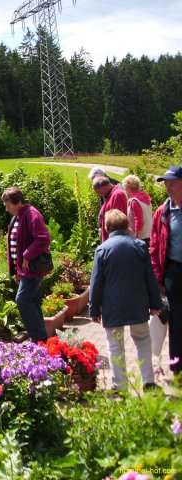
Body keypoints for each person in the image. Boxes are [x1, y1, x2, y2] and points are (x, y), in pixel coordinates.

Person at [90, 209, 161, 391]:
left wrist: (94, 310)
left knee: (115, 345)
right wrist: (155, 304)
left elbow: (96, 282)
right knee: (143, 339)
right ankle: (148, 382)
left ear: (106, 228)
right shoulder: (139, 246)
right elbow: (149, 278)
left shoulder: (102, 250)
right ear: (126, 225)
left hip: (113, 305)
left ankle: (119, 386)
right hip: (138, 303)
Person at [2, 187, 51, 343]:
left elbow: (43, 238)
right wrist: (17, 270)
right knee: (34, 302)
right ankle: (42, 340)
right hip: (24, 270)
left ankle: (38, 338)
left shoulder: (32, 215)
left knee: (22, 300)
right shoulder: (17, 217)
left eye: (8, 204)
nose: (6, 208)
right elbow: (16, 244)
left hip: (33, 269)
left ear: (18, 202)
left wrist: (27, 255)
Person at [150, 165, 182, 378]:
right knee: (177, 323)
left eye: (173, 183)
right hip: (173, 272)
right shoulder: (163, 213)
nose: (169, 188)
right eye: (166, 184)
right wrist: (157, 279)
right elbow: (153, 248)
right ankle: (177, 368)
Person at [93, 174, 127, 242]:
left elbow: (117, 223)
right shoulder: (111, 194)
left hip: (115, 242)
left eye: (97, 192)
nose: (98, 195)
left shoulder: (117, 195)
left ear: (101, 189)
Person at [122, 175, 153, 247]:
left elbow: (138, 221)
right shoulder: (145, 197)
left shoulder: (135, 201)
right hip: (148, 234)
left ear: (128, 189)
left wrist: (136, 239)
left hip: (140, 237)